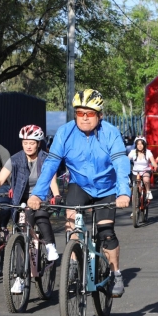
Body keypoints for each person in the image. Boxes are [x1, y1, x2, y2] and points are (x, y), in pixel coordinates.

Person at [27, 89, 131, 297]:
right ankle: (73, 263)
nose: (84, 117)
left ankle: (115, 272)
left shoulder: (111, 133)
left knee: (106, 232)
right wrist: (38, 194)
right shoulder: (65, 133)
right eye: (80, 112)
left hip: (107, 189)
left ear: (100, 115)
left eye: (90, 113)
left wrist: (123, 193)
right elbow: (51, 164)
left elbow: (120, 163)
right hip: (79, 185)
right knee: (72, 221)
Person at [0, 125, 60, 292]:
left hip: (41, 199)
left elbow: (52, 181)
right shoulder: (15, 159)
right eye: (25, 142)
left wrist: (56, 195)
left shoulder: (46, 159)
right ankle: (19, 277)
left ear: (38, 144)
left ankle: (49, 246)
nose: (28, 146)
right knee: (20, 234)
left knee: (41, 216)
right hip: (22, 201)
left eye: (32, 143)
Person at [128, 136, 158, 200]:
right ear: (136, 145)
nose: (140, 145)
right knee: (137, 186)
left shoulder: (148, 152)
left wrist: (155, 166)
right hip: (135, 171)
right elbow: (126, 160)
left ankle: (148, 191)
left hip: (145, 170)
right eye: (138, 144)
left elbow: (152, 161)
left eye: (141, 144)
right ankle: (137, 199)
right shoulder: (133, 152)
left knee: (146, 179)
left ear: (144, 144)